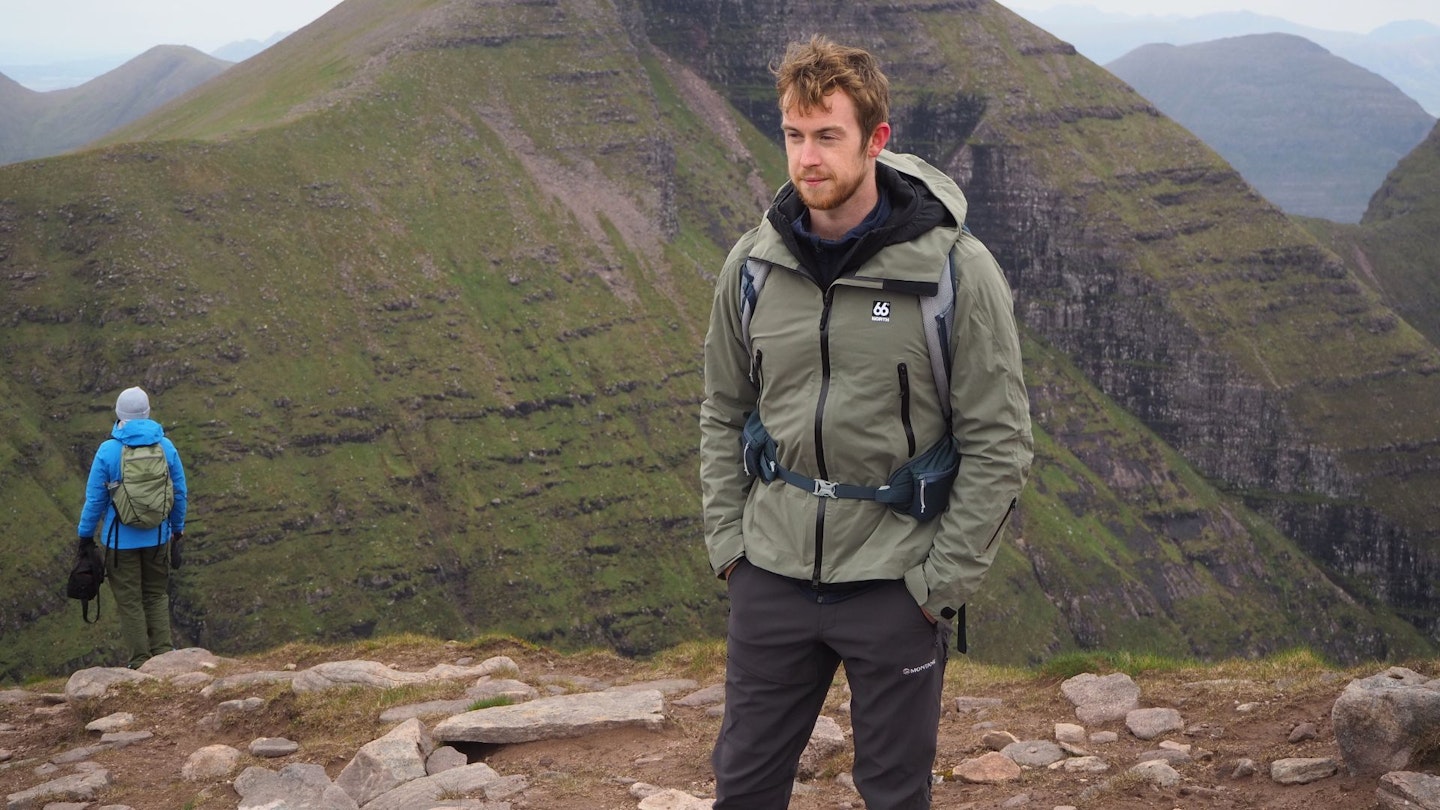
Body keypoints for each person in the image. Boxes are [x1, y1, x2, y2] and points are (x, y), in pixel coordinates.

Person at [699, 35, 1034, 808]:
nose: (807, 158)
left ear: (875, 140)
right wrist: (731, 548)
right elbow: (722, 407)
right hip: (772, 574)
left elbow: (1000, 439)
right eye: (793, 134)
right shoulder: (752, 266)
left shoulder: (953, 271)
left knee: (892, 793)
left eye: (827, 135)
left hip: (895, 582)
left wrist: (936, 584)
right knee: (743, 789)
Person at [77, 386, 188, 668]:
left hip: (119, 543)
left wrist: (85, 536)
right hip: (159, 536)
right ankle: (164, 657)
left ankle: (140, 661)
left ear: (118, 414)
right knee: (155, 595)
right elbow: (180, 492)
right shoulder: (166, 447)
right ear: (147, 412)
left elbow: (95, 501)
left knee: (130, 601)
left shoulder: (108, 451)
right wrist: (177, 528)